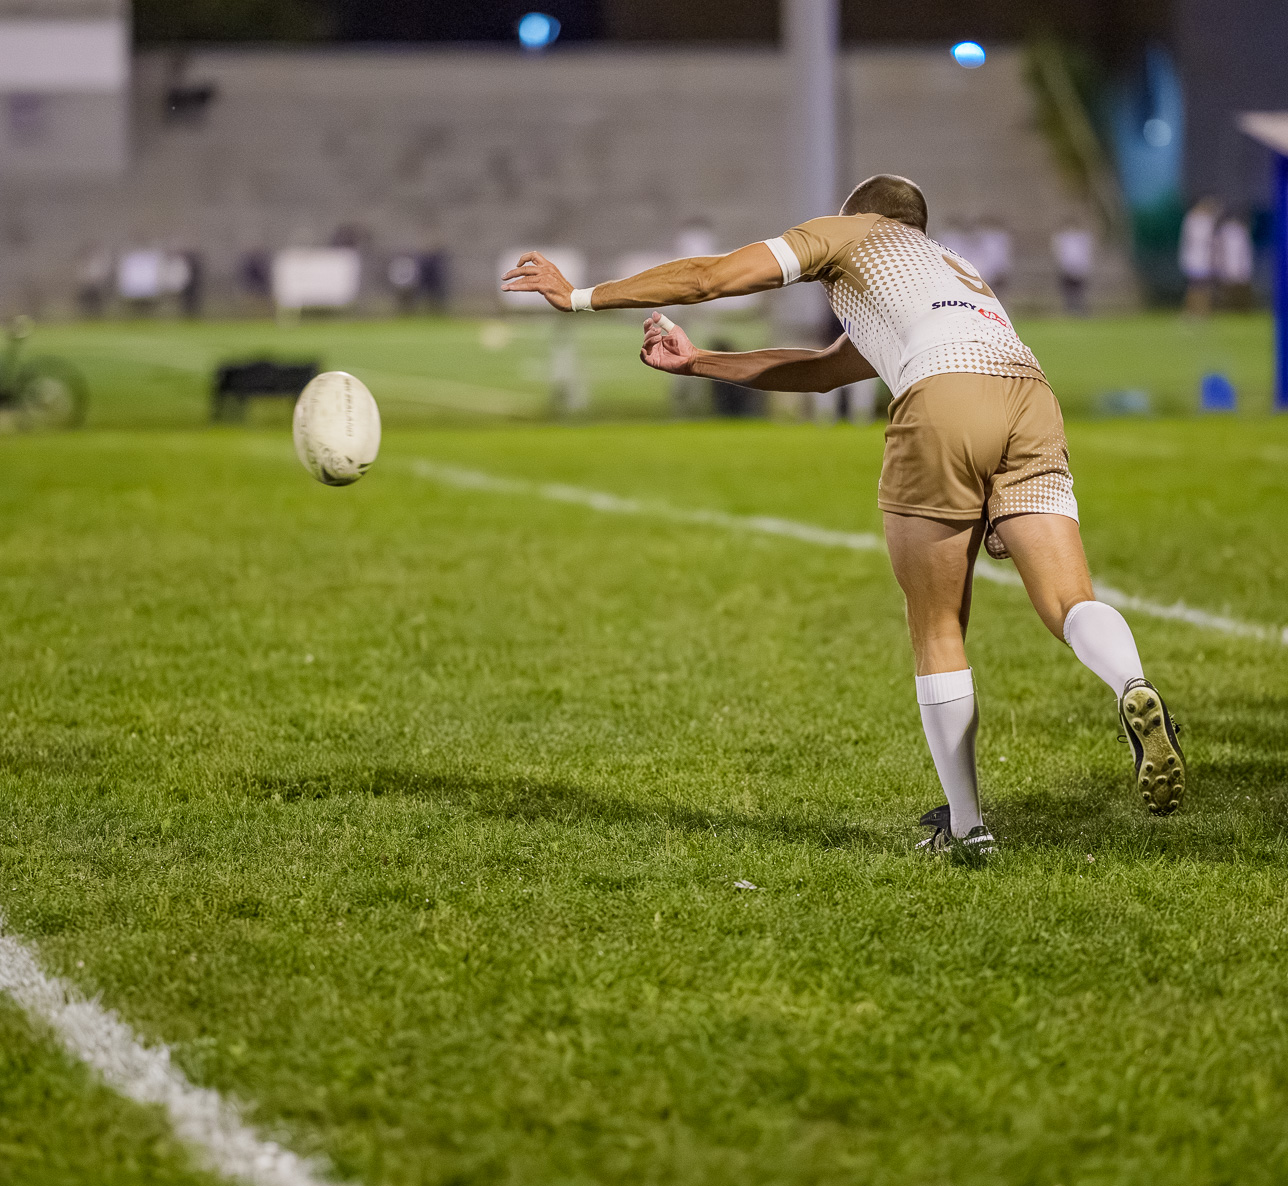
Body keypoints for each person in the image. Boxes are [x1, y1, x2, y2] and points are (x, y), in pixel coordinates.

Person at [501, 174, 1188, 859]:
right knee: (1069, 601)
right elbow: (827, 369)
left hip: (943, 391)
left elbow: (711, 279)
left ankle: (967, 827)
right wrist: (704, 362)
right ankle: (1131, 684)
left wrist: (580, 297)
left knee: (937, 623)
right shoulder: (953, 269)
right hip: (1029, 394)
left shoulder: (849, 234)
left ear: (857, 216)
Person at [1051, 226, 1094, 316]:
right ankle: (1070, 308)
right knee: (1068, 289)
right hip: (1067, 267)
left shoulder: (1081, 238)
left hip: (1079, 267)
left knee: (1078, 289)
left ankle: (1079, 308)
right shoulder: (1064, 238)